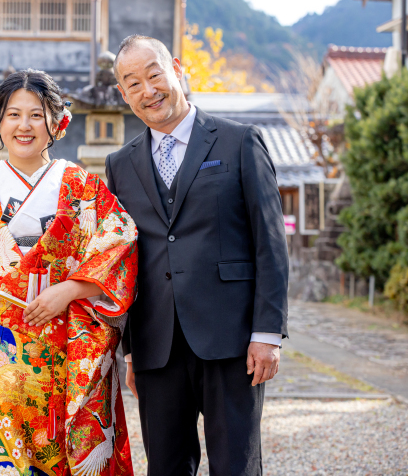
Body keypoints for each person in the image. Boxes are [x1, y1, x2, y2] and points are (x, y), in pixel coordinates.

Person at [0, 69, 138, 476]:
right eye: (13, 115)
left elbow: (120, 242)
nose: (24, 126)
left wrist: (72, 289)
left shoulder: (84, 188)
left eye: (36, 115)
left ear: (56, 122)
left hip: (62, 353)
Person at [106, 35, 289, 476]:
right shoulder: (119, 165)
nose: (147, 90)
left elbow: (270, 242)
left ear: (177, 68)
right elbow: (121, 260)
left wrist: (267, 332)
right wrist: (130, 351)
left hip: (231, 337)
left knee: (235, 465)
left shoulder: (239, 142)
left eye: (154, 75)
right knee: (166, 466)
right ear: (123, 94)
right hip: (156, 343)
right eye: (133, 83)